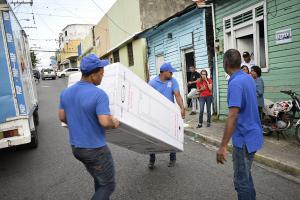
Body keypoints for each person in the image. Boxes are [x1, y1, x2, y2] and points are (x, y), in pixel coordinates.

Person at [58, 54, 120, 200]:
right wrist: (114, 122)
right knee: (108, 185)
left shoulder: (66, 92)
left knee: (100, 179)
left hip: (77, 148)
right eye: (101, 74)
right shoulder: (99, 94)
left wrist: (78, 123)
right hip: (95, 150)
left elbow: (62, 117)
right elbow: (105, 122)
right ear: (93, 75)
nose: (102, 76)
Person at [216, 49, 263, 200]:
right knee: (246, 178)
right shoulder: (248, 78)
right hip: (253, 135)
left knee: (241, 182)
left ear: (226, 64)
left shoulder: (236, 83)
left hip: (244, 140)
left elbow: (232, 116)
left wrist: (223, 146)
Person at [148, 62, 185, 169]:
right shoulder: (152, 83)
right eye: (170, 72)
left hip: (169, 114)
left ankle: (172, 158)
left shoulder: (173, 81)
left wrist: (182, 108)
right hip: (156, 114)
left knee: (171, 135)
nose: (172, 74)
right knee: (153, 136)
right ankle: (152, 159)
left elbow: (177, 95)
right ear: (164, 72)